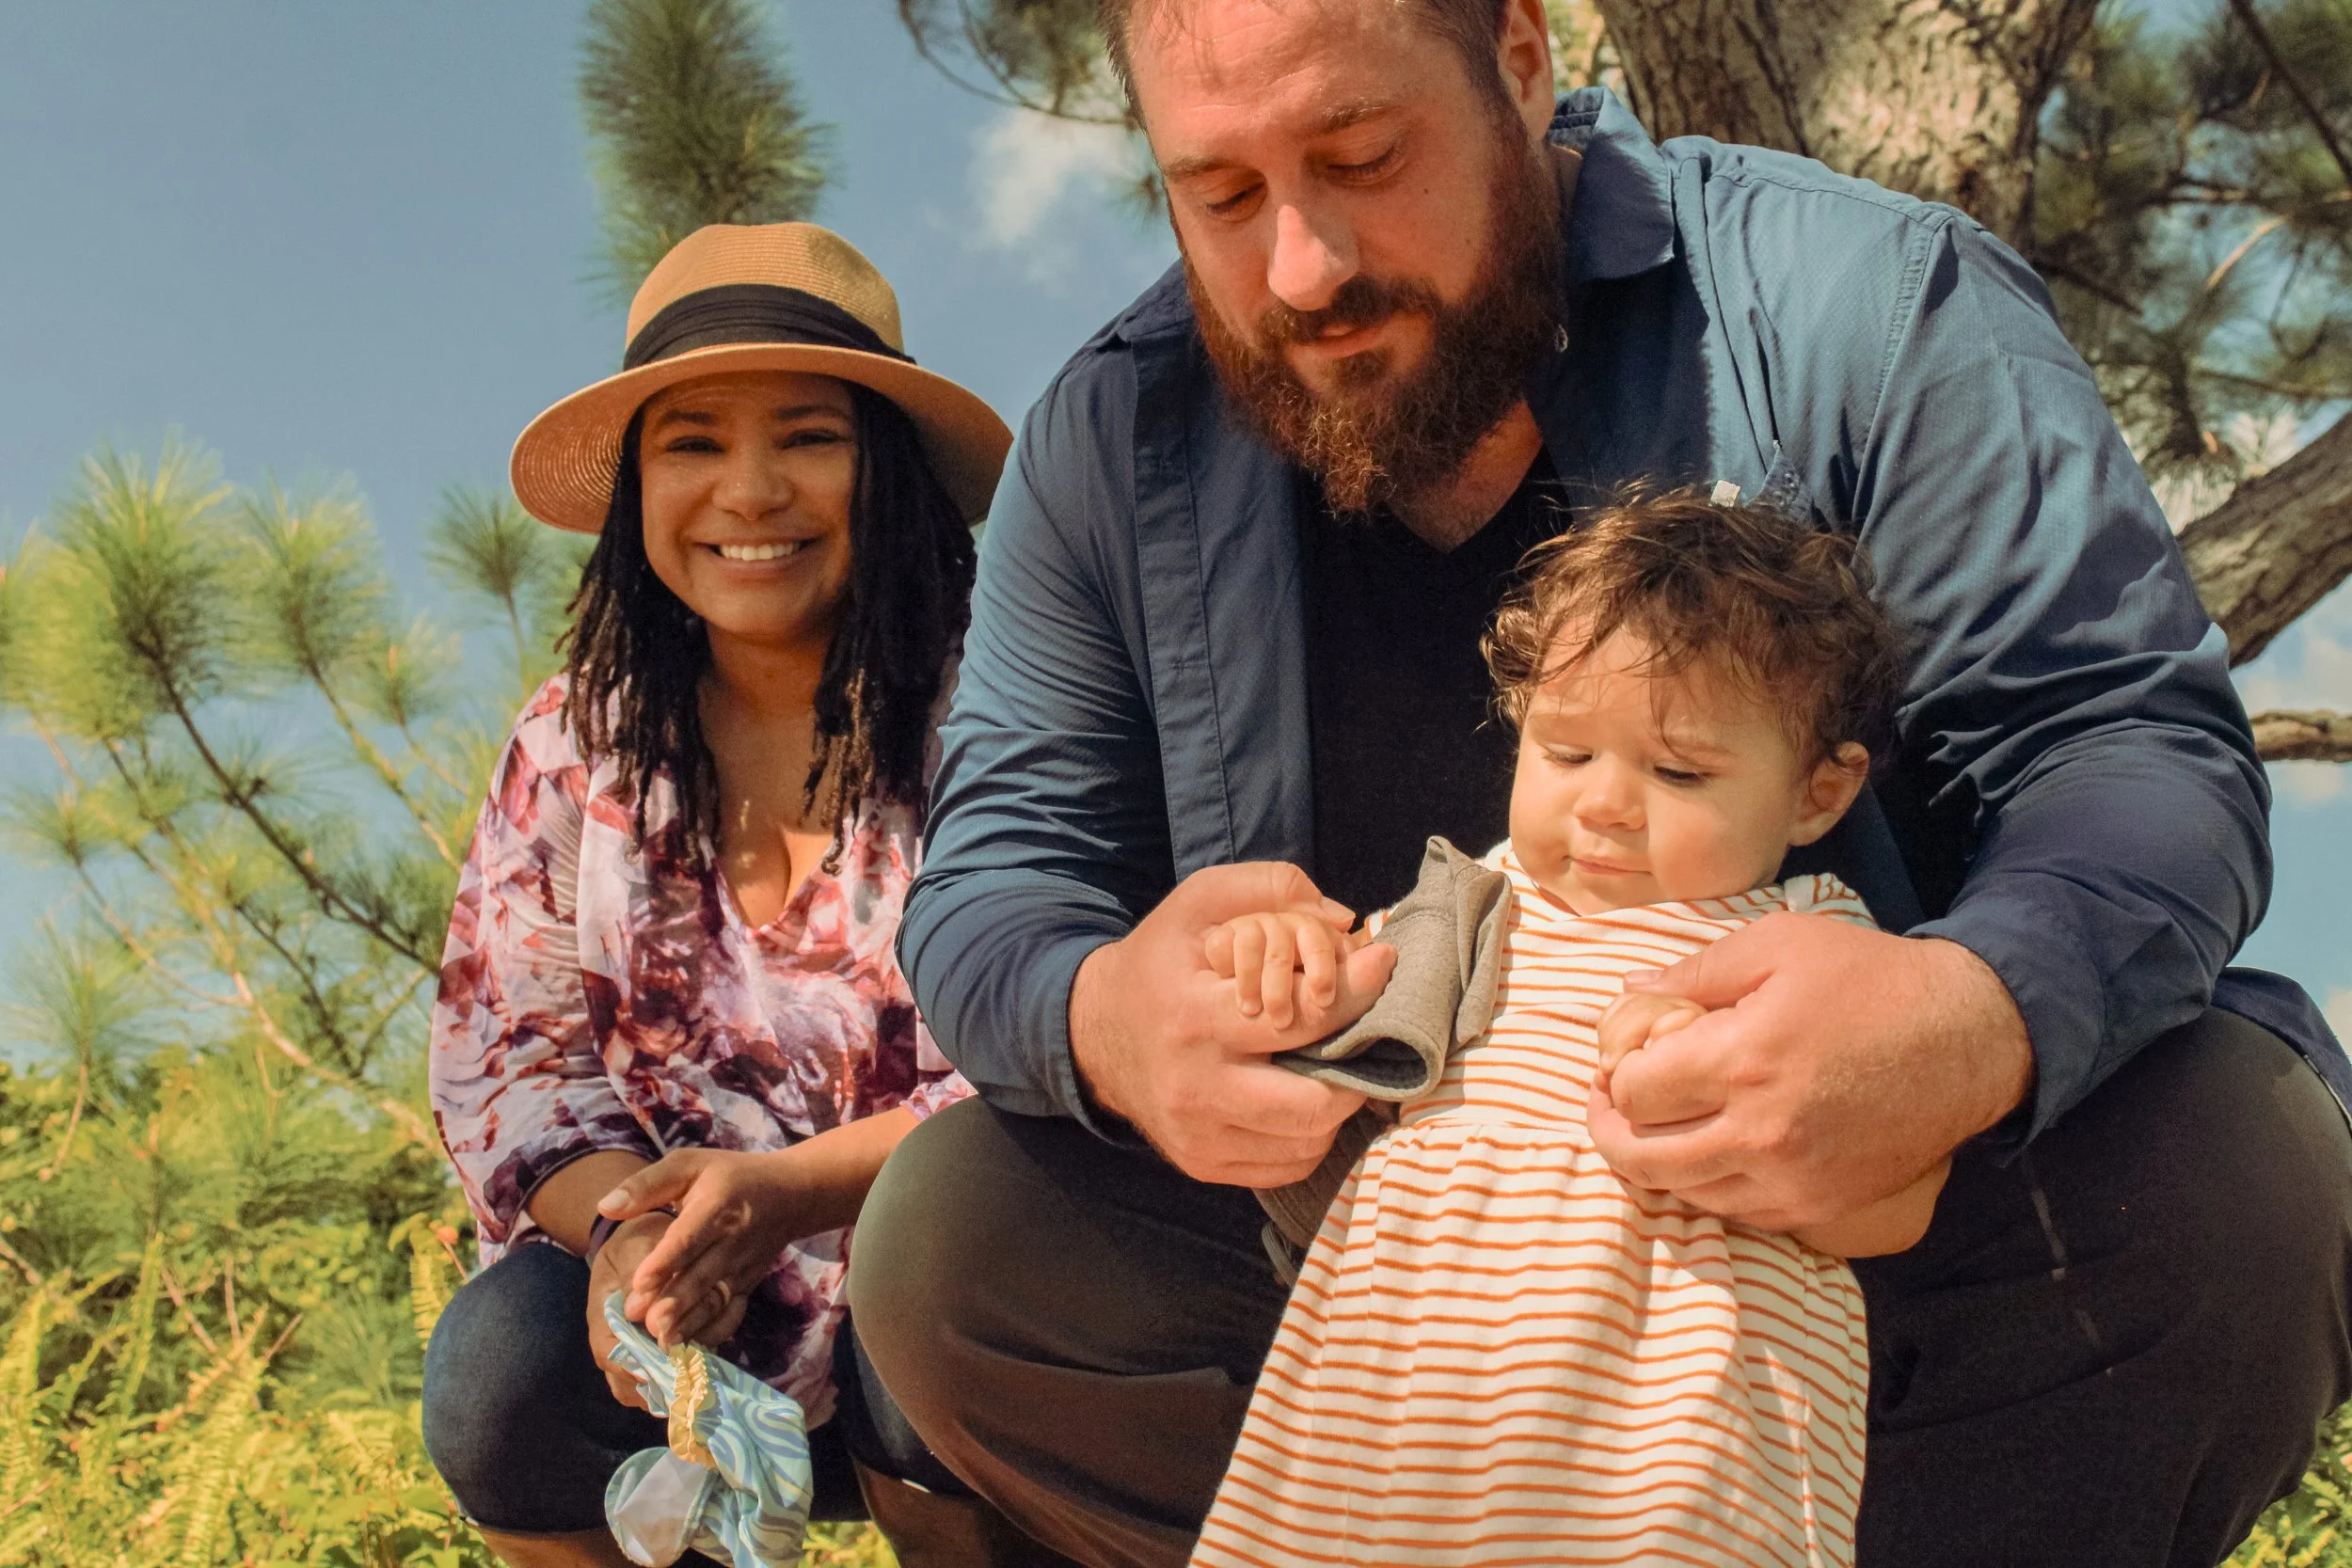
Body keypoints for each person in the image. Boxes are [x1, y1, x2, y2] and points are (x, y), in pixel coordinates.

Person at [847, 2, 2352, 1566]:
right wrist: (1109, 1016)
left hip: (1845, 1263)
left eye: (1362, 157)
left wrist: (1965, 1019)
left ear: (1518, 59)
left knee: (2235, 1165)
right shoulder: (1107, 439)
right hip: (1374, 1298)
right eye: (1218, 195)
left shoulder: (1873, 302)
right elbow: (995, 881)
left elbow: (2128, 746)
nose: (1300, 268)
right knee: (963, 1240)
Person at [421, 222, 1071, 1568]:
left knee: (928, 1282)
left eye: (810, 436)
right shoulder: (569, 743)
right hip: (692, 1284)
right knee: (503, 1375)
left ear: (886, 469)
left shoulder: (1006, 705)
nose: (752, 489)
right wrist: (631, 1236)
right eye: (695, 442)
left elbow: (1056, 1045)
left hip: (963, 1277)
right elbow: (514, 1065)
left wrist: (786, 1191)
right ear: (637, 492)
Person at [1193, 492, 1921, 1567]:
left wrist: (1718, 1068)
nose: (1606, 805)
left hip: (1672, 1412)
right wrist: (1272, 959)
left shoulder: (1810, 943)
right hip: (1402, 1385)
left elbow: (1894, 1204)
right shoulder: (1468, 902)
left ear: (1818, 792)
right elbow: (1317, 1047)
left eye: (1678, 771)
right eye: (1567, 752)